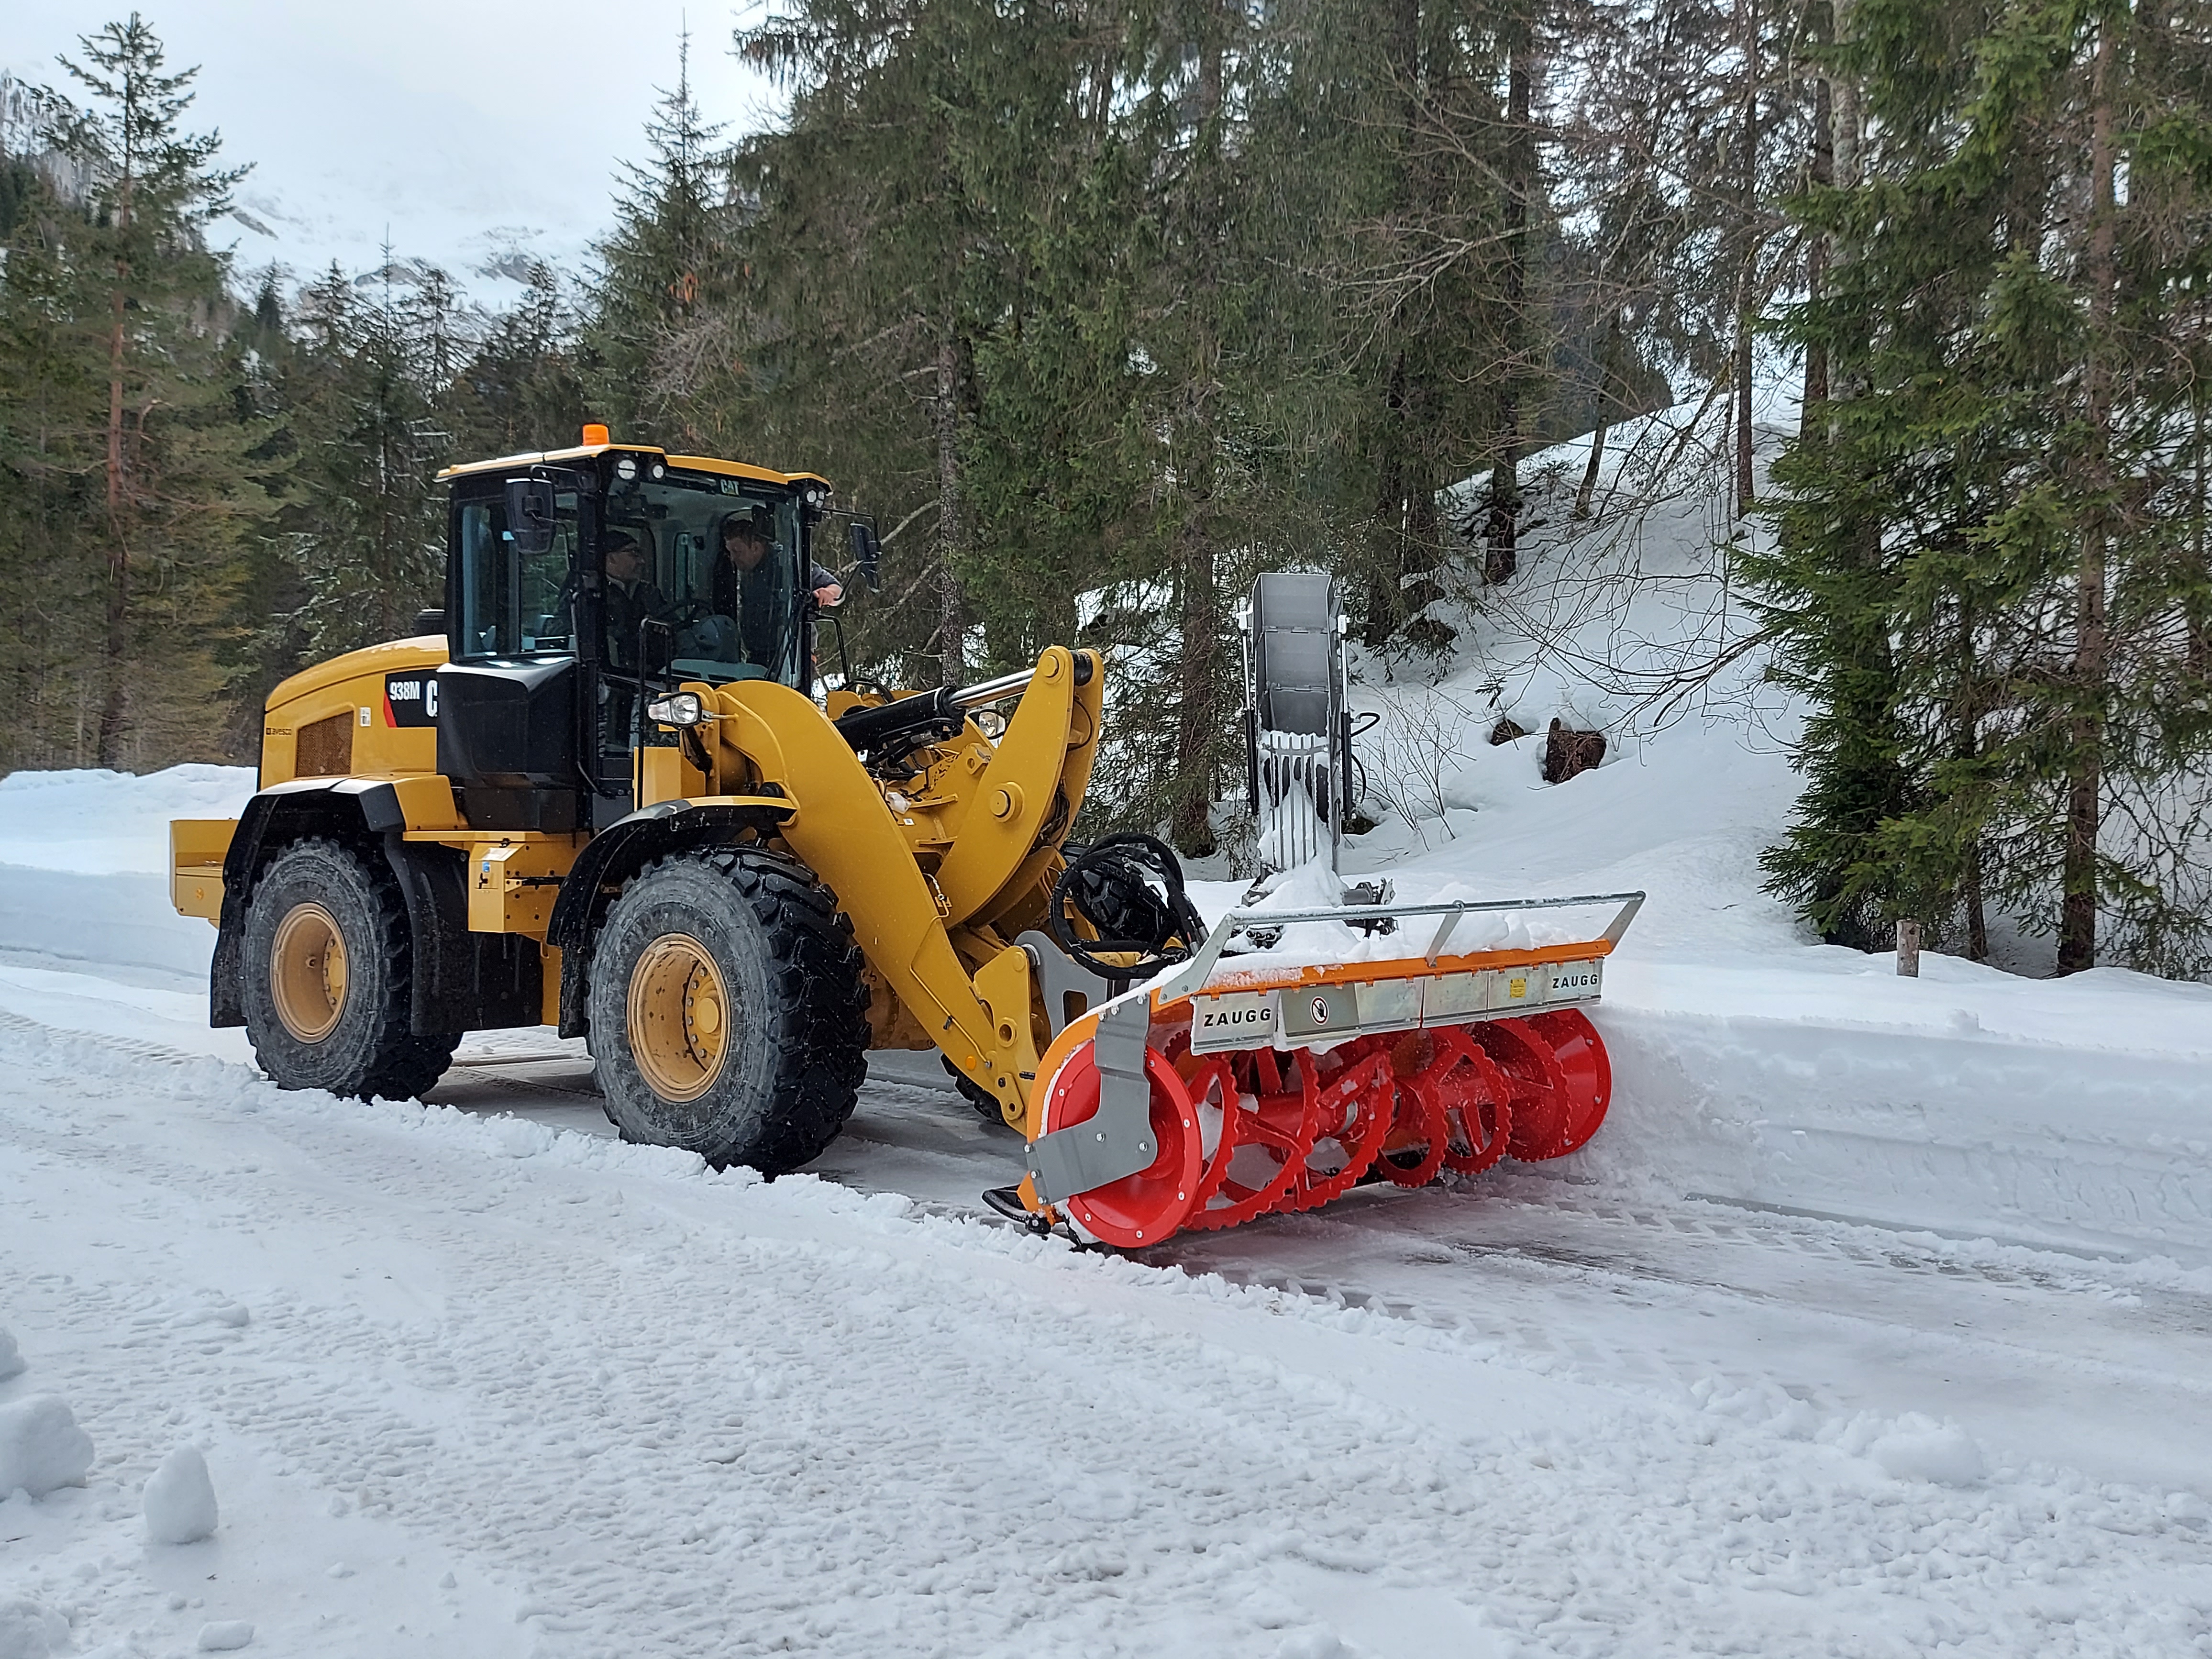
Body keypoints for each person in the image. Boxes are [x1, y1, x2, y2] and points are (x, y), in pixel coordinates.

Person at [718, 507, 843, 669]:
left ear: (756, 548)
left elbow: (836, 589)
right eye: (731, 552)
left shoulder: (789, 565)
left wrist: (827, 593)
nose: (733, 558)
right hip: (757, 658)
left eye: (737, 551)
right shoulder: (748, 570)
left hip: (792, 661)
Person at [602, 529, 668, 672]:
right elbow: (567, 630)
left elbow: (670, 620)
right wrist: (631, 631)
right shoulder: (591, 593)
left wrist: (662, 626)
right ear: (611, 558)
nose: (642, 561)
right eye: (634, 553)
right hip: (614, 674)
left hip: (657, 672)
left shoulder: (648, 591)